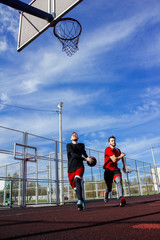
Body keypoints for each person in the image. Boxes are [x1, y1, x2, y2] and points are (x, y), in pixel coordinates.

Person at [66, 132, 93, 211]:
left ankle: (80, 201)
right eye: (72, 135)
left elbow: (84, 154)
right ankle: (82, 200)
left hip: (79, 166)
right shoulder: (69, 145)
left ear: (78, 137)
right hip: (71, 168)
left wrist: (89, 159)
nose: (74, 135)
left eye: (76, 134)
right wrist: (85, 159)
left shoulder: (81, 145)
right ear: (71, 138)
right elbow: (73, 155)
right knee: (75, 188)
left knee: (77, 179)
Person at [103, 136, 126, 207]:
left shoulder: (118, 150)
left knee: (119, 181)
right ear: (109, 142)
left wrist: (124, 165)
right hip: (108, 170)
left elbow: (122, 157)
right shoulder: (108, 149)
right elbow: (114, 159)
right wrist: (120, 156)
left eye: (114, 140)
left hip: (115, 170)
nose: (113, 142)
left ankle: (121, 198)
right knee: (109, 187)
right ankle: (106, 192)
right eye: (112, 141)